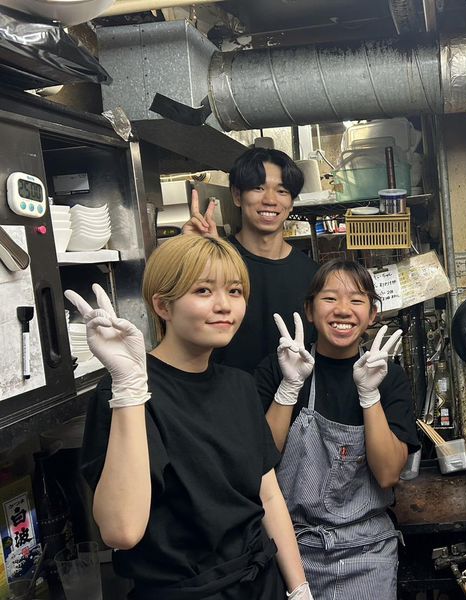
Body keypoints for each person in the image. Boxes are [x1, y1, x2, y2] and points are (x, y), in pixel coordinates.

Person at [73, 235, 312, 599]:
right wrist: (129, 388)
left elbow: (268, 496)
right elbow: (121, 532)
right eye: (203, 291)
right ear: (163, 306)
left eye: (234, 291)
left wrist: (299, 589)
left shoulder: (239, 385)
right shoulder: (125, 391)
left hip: (262, 584)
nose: (224, 306)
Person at [254, 259, 420, 599]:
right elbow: (259, 462)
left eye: (357, 300)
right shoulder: (280, 368)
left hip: (367, 550)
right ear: (309, 310)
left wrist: (370, 395)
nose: (343, 309)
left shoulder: (389, 379)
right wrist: (288, 388)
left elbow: (388, 473)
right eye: (329, 298)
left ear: (372, 314)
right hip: (289, 548)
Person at [184, 147, 318, 373]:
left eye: (282, 191)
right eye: (258, 188)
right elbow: (180, 324)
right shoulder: (215, 261)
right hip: (222, 392)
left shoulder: (312, 275)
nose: (270, 200)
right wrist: (196, 256)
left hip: (294, 393)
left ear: (291, 203)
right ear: (237, 195)